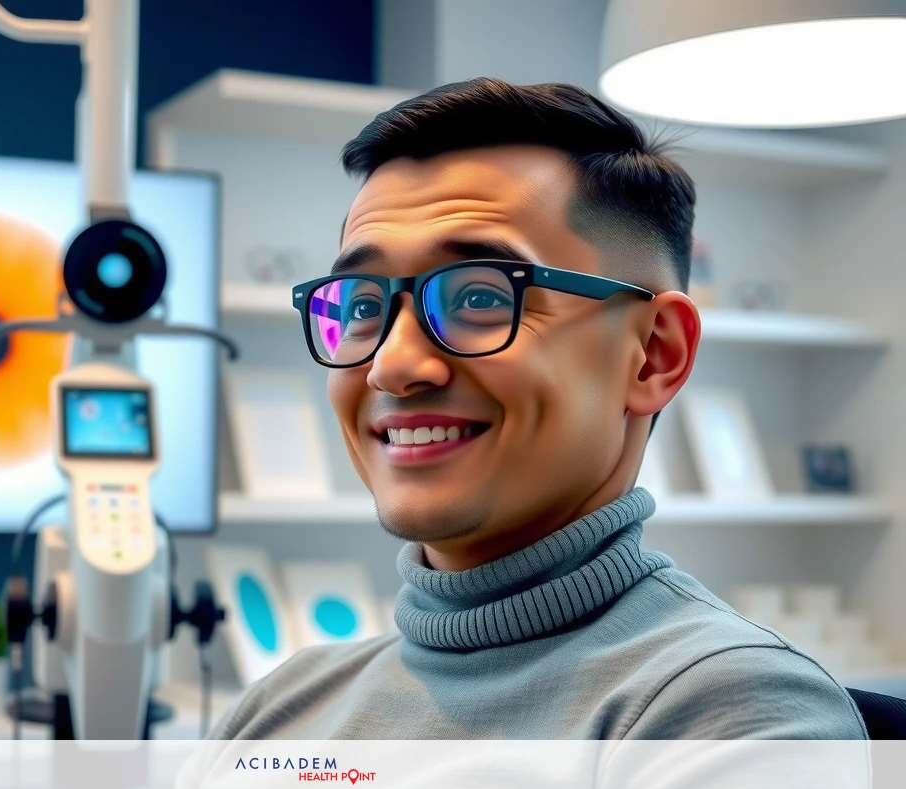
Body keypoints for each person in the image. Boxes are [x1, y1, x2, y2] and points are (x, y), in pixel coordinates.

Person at [208, 79, 866, 740]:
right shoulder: (277, 709)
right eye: (360, 307)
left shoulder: (732, 714)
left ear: (653, 355)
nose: (392, 365)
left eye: (478, 298)